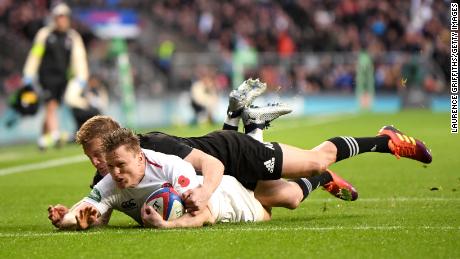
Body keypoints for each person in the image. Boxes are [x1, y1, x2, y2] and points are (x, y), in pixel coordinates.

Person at [49, 128, 271, 230]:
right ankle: (252, 130)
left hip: (228, 198)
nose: (115, 173)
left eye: (121, 165)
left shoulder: (171, 166)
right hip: (220, 192)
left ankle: (253, 132)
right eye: (111, 166)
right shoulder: (110, 183)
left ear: (139, 157)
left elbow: (205, 215)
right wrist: (69, 221)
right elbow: (84, 210)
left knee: (284, 200)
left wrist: (166, 226)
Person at [22, 3, 89, 150]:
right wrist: (28, 73)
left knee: (51, 107)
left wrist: (82, 77)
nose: (62, 20)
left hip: (62, 78)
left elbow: (79, 58)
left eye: (64, 17)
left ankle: (42, 139)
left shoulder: (72, 37)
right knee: (51, 105)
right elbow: (35, 55)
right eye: (59, 17)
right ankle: (55, 135)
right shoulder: (45, 35)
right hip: (46, 78)